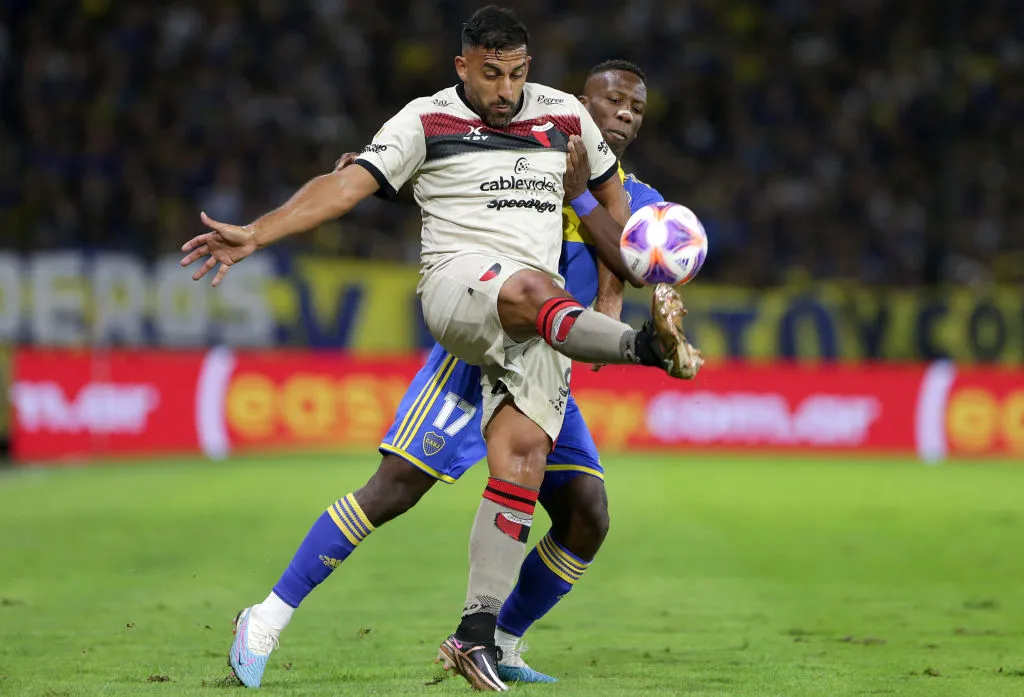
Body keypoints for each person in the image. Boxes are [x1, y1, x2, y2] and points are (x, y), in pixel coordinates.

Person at [180, 6, 701, 691]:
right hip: (480, 331)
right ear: (584, 96)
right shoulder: (444, 123)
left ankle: (493, 639)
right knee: (394, 489)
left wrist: (600, 252)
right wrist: (307, 211)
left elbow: (625, 252)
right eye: (612, 100)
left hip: (550, 354)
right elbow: (438, 185)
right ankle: (268, 615)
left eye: (636, 107)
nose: (624, 114)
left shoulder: (609, 178)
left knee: (583, 510)